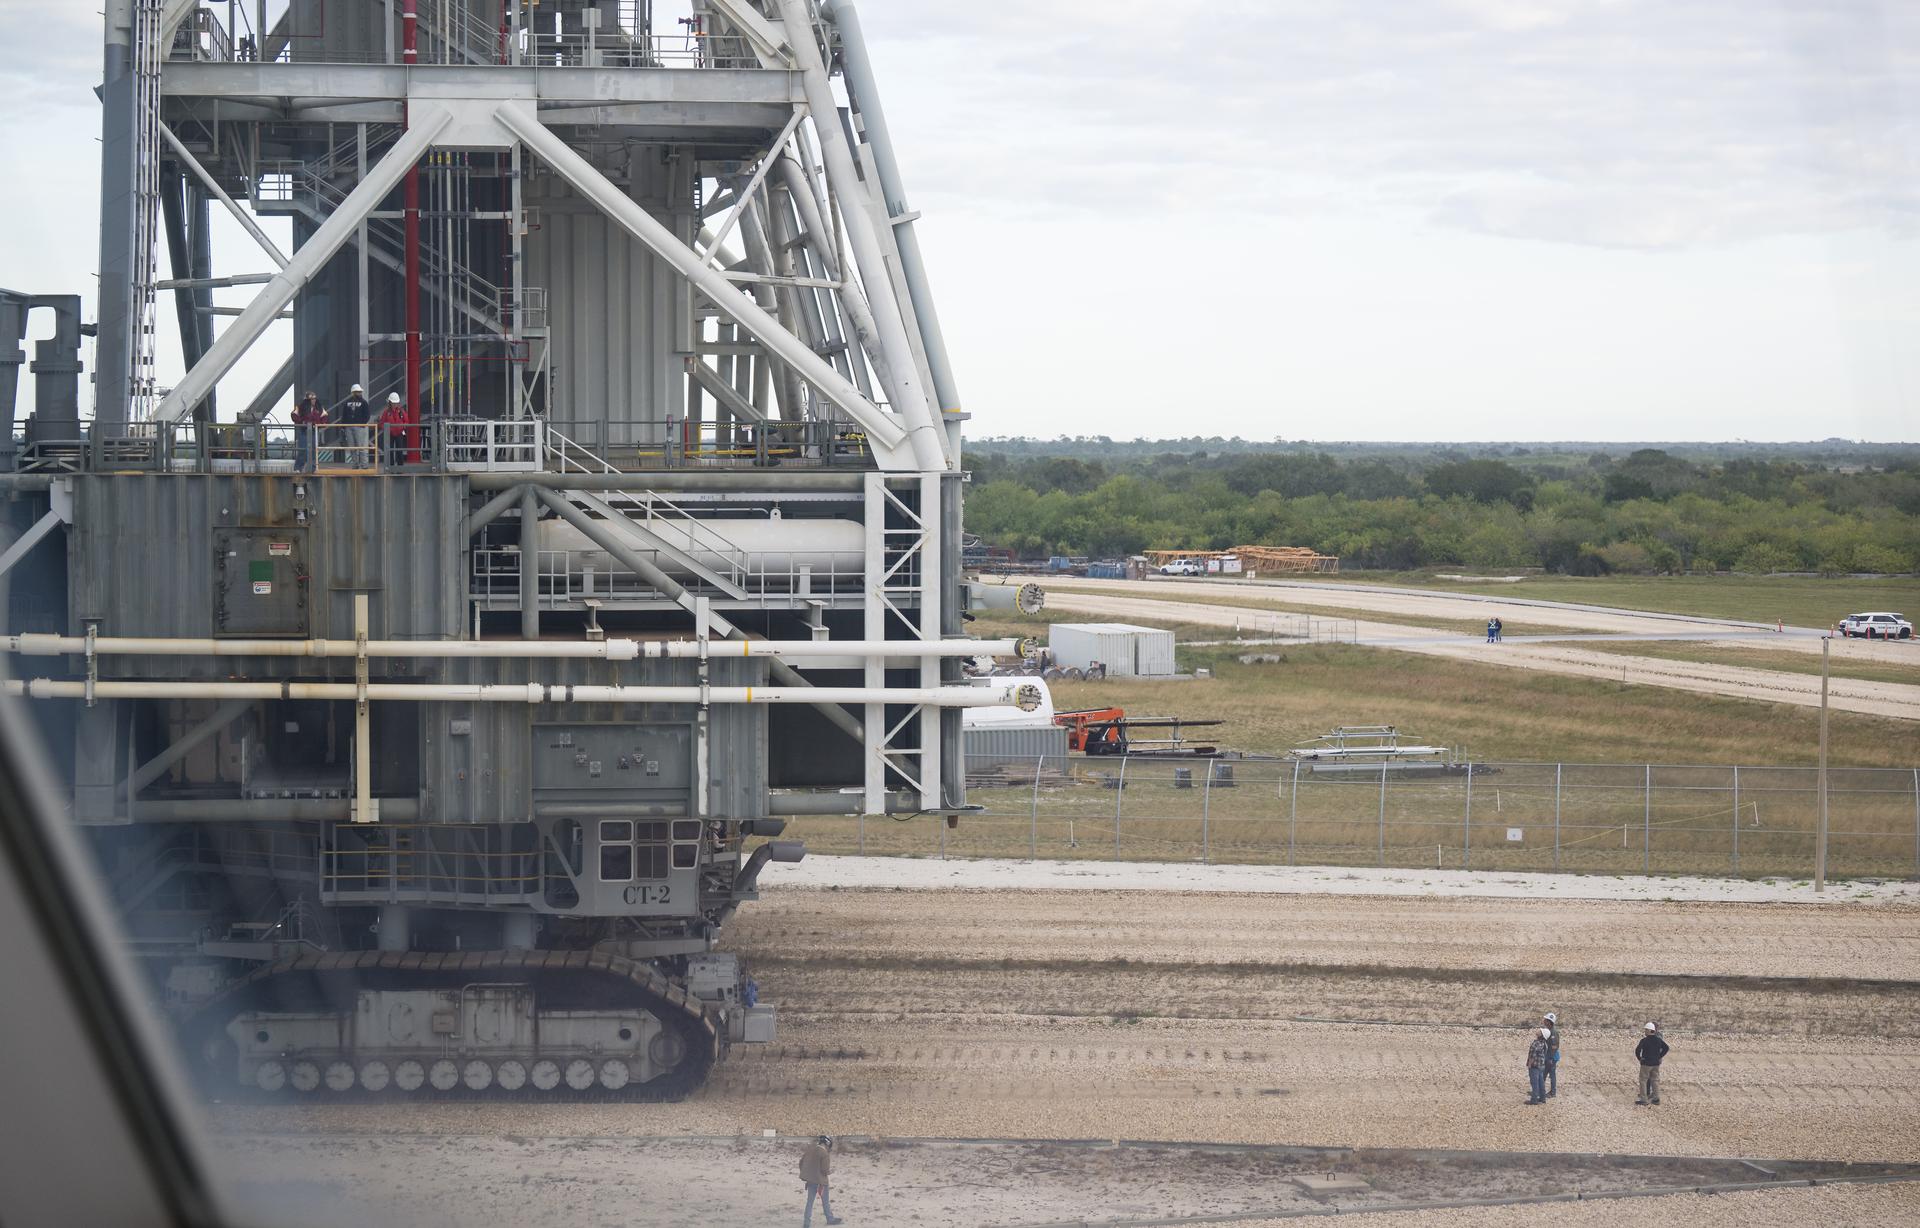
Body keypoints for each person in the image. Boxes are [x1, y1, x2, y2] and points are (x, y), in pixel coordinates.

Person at [799, 1134, 843, 1226]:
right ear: (828, 1144)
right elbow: (824, 1171)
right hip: (821, 1183)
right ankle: (830, 1219)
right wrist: (830, 1171)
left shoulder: (810, 1150)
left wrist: (809, 1174)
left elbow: (801, 1163)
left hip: (810, 1181)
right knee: (825, 1202)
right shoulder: (824, 1154)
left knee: (809, 1203)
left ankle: (806, 1223)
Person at [291, 391, 327, 471]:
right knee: (303, 450)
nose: (313, 400)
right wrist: (302, 422)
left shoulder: (319, 407)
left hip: (314, 431)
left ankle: (313, 468)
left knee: (313, 450)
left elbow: (324, 417)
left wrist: (318, 424)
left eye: (314, 398)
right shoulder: (300, 407)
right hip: (304, 431)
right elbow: (294, 415)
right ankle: (298, 468)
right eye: (311, 399)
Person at [1635, 1021, 1669, 1105]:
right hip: (1656, 1063)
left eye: (1646, 1030)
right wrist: (1659, 1056)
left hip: (1646, 1063)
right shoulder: (1658, 1040)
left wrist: (1640, 1059)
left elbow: (1637, 1050)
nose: (1645, 1032)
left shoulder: (1644, 1040)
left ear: (1650, 1030)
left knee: (1643, 1080)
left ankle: (1644, 1099)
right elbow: (1666, 1048)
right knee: (1655, 1080)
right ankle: (1656, 1099)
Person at [338, 383, 371, 467]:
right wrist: (343, 427)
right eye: (358, 392)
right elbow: (344, 415)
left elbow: (367, 415)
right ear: (353, 392)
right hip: (348, 427)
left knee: (361, 446)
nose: (360, 393)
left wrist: (361, 424)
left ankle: (364, 464)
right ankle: (355, 464)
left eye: (360, 392)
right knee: (352, 447)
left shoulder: (364, 402)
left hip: (359, 427)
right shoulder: (347, 402)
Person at [378, 393, 409, 468]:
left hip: (399, 433)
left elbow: (407, 421)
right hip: (389, 434)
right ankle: (391, 466)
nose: (395, 404)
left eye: (396, 403)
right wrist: (386, 429)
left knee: (399, 450)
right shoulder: (386, 412)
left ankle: (400, 467)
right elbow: (381, 423)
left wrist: (402, 427)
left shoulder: (401, 411)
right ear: (390, 403)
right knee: (389, 450)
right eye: (393, 403)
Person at [1525, 1025, 1551, 1105]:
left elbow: (1532, 1055)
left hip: (1535, 1066)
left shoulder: (1536, 1043)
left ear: (1541, 1035)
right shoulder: (1544, 1043)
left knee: (1534, 1083)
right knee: (1541, 1082)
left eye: (1540, 1031)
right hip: (1541, 1065)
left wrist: (1529, 1064)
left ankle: (1534, 1100)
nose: (1539, 1030)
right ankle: (1542, 1098)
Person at [1543, 1012, 1560, 1097]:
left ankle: (1553, 1092)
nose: (1544, 1021)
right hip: (1548, 1057)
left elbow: (1554, 1047)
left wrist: (1550, 1058)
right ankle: (1541, 1090)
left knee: (1551, 1074)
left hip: (1552, 1058)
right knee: (1544, 1073)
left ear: (1549, 1022)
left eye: (1545, 1020)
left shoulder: (1553, 1033)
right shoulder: (1549, 1031)